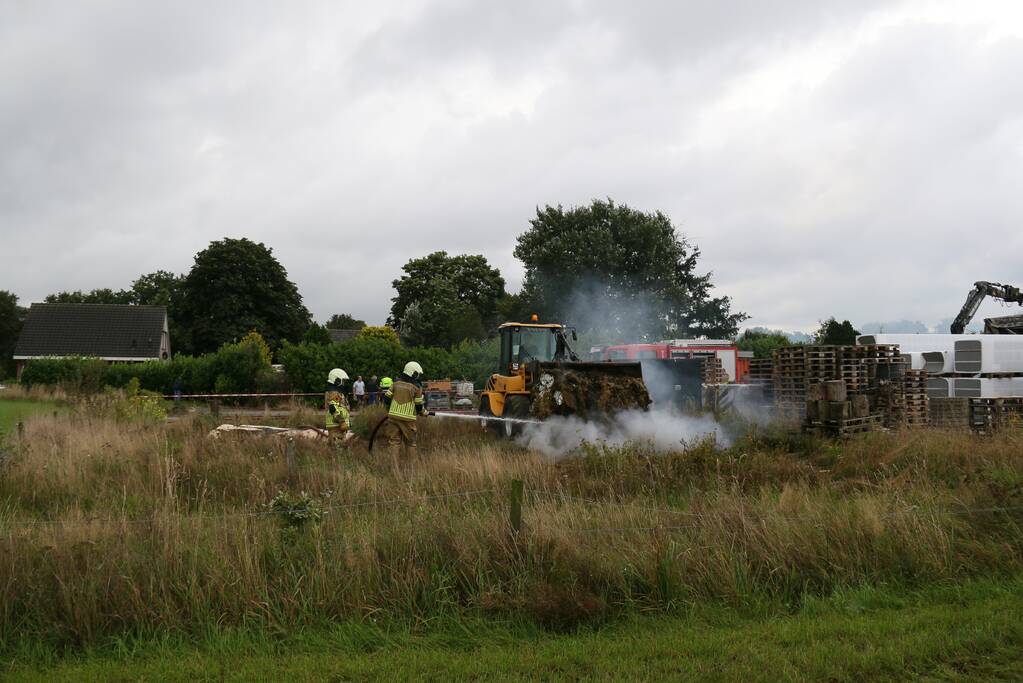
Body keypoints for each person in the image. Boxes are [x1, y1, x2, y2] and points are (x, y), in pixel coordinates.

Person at [381, 362, 425, 457]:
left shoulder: (395, 383)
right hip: (408, 419)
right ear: (412, 373)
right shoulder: (417, 387)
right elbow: (418, 405)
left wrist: (391, 410)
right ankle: (412, 468)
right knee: (411, 443)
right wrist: (422, 412)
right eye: (417, 374)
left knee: (394, 442)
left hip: (393, 417)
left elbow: (386, 399)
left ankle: (393, 468)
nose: (418, 376)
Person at [325, 368, 353, 440]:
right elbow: (333, 408)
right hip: (336, 425)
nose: (343, 383)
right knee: (337, 448)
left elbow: (342, 407)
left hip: (337, 425)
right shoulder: (334, 393)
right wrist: (342, 421)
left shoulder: (336, 392)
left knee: (337, 447)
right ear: (337, 380)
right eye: (342, 380)